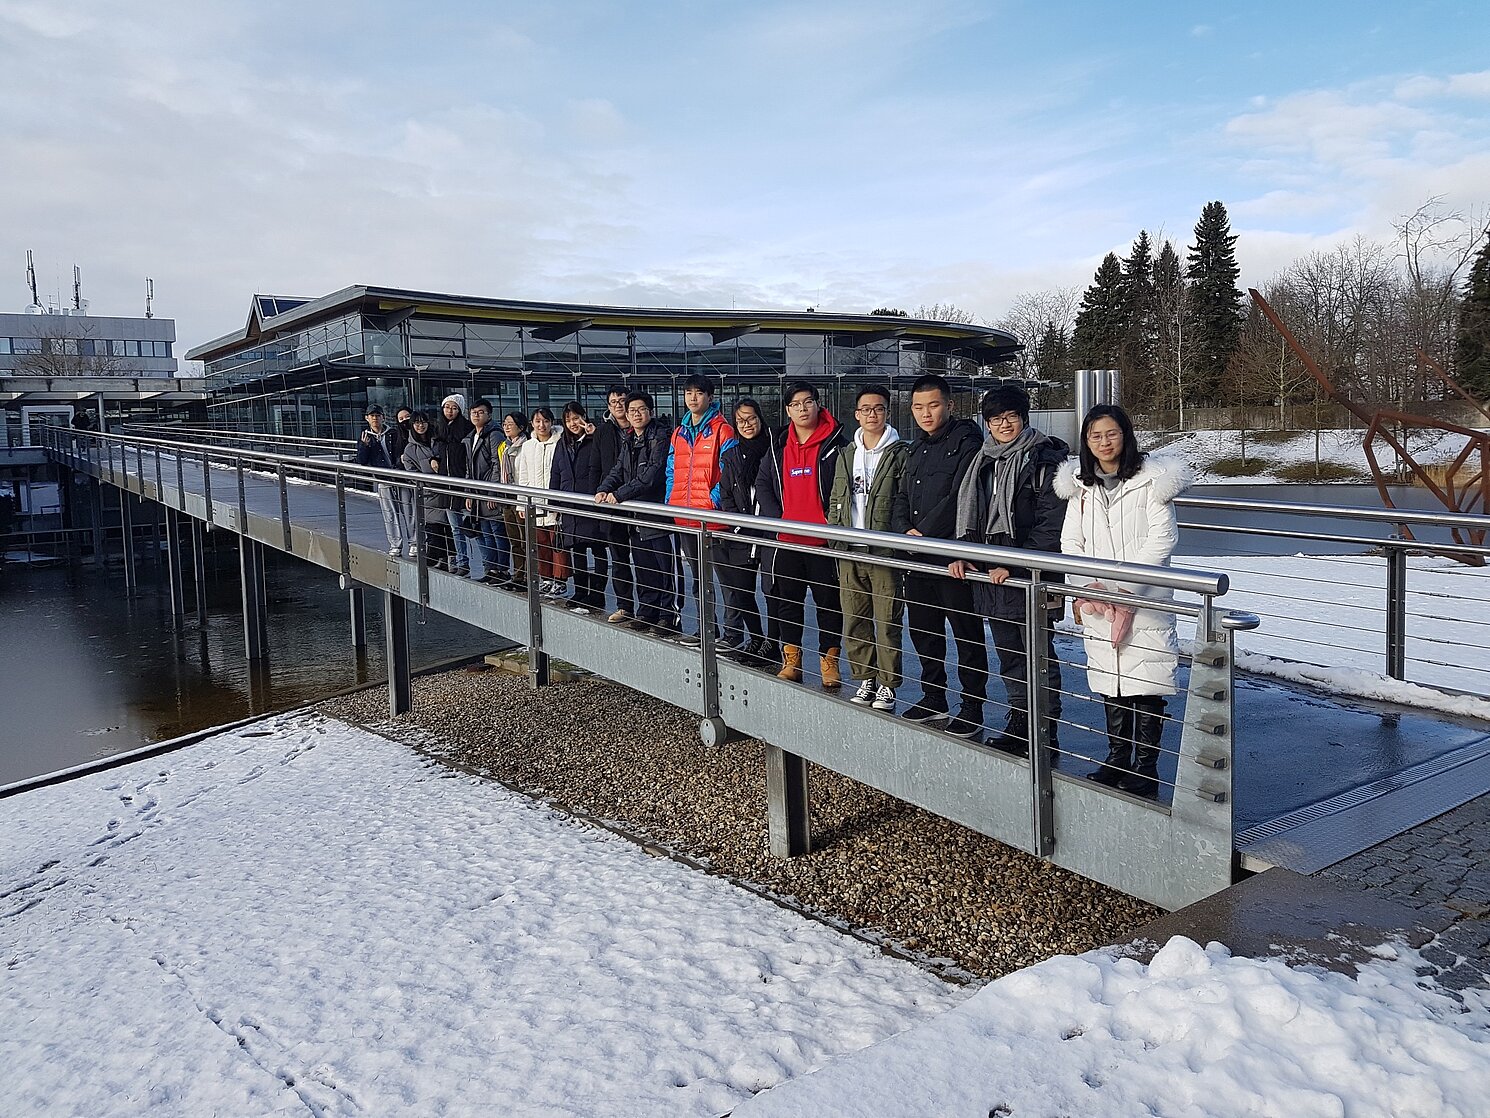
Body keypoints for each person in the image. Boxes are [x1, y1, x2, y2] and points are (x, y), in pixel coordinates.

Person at [1055, 404, 1192, 798]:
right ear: (1086, 441)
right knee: (1109, 678)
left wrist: (1126, 587)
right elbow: (1071, 542)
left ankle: (1146, 766)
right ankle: (1118, 755)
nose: (1103, 442)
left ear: (1125, 435)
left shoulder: (1151, 482)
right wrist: (1087, 586)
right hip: (1099, 602)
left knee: (1145, 680)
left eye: (1110, 434)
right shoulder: (1081, 487)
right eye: (1095, 436)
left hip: (1144, 597)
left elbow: (1162, 539)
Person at [950, 383, 1070, 752]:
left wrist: (1015, 565)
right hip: (993, 573)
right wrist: (965, 553)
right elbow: (977, 513)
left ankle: (1044, 729)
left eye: (1011, 417)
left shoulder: (1044, 461)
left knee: (1037, 653)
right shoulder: (983, 462)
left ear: (1024, 418)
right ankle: (1021, 721)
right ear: (986, 423)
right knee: (1009, 653)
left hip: (1029, 573)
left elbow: (1052, 525)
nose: (1004, 424)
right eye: (996, 418)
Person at [890, 374, 987, 734]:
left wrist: (926, 534)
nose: (925, 413)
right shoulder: (916, 447)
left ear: (949, 404)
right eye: (918, 407)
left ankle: (972, 706)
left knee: (966, 632)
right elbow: (902, 493)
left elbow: (961, 496)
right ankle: (934, 697)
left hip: (950, 555)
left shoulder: (967, 442)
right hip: (917, 555)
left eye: (933, 405)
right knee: (924, 629)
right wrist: (904, 530)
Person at [756, 381, 847, 687]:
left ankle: (829, 661)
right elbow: (763, 483)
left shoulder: (837, 443)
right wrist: (778, 520)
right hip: (788, 540)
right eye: (795, 404)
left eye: (808, 402)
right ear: (788, 410)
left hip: (824, 541)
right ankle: (791, 660)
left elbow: (844, 487)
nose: (803, 409)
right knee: (787, 602)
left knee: (829, 603)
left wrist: (831, 521)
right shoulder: (778, 445)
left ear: (818, 404)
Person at [827, 384, 908, 712]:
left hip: (884, 550)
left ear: (887, 412)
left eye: (878, 408)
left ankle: (888, 684)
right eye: (865, 409)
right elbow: (835, 497)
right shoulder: (847, 453)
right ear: (856, 414)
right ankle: (865, 676)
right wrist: (835, 535)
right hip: (851, 548)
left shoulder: (900, 452)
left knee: (887, 619)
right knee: (854, 617)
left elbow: (905, 499)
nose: (871, 414)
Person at [665, 374, 737, 645]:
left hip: (712, 518)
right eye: (688, 393)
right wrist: (672, 500)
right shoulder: (679, 432)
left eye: (699, 393)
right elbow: (671, 469)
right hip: (685, 517)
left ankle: (732, 633)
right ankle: (707, 629)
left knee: (725, 578)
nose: (693, 398)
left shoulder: (722, 430)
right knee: (699, 579)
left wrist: (712, 502)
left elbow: (728, 472)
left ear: (710, 397)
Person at [596, 391, 674, 633]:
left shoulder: (660, 437)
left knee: (664, 567)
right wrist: (603, 489)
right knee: (643, 565)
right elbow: (619, 469)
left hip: (654, 511)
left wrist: (620, 495)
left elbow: (651, 475)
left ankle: (668, 615)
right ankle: (647, 611)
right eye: (632, 411)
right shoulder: (630, 439)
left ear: (650, 411)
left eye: (641, 409)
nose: (636, 414)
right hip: (635, 514)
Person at [716, 398, 773, 665]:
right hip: (742, 532)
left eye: (750, 418)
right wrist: (737, 522)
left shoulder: (774, 450)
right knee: (742, 589)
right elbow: (726, 493)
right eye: (740, 421)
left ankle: (774, 644)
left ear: (760, 418)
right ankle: (758, 638)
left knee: (772, 591)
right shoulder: (732, 455)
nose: (746, 425)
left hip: (770, 531)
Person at [551, 401, 609, 614]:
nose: (573, 423)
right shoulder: (563, 443)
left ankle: (598, 593)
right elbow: (555, 473)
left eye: (576, 418)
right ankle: (581, 590)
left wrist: (594, 434)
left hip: (591, 501)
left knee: (598, 548)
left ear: (584, 417)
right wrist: (554, 501)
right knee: (576, 550)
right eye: (568, 420)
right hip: (569, 503)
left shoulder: (595, 439)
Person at [514, 407, 567, 598]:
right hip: (534, 503)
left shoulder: (560, 443)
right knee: (541, 542)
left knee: (557, 542)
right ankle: (546, 578)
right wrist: (521, 504)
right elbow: (523, 476)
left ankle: (560, 580)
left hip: (554, 502)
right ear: (532, 424)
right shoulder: (528, 446)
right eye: (537, 421)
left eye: (545, 421)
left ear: (552, 423)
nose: (541, 425)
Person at [595, 385, 635, 623]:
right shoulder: (603, 432)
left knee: (645, 560)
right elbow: (597, 467)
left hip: (639, 502)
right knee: (619, 558)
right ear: (608, 407)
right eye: (614, 402)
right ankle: (625, 605)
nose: (619, 405)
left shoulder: (645, 430)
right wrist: (598, 495)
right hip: (611, 502)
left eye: (623, 400)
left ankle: (655, 610)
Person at [355, 403, 410, 557]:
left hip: (401, 477)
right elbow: (361, 461)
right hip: (383, 479)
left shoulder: (393, 433)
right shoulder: (364, 436)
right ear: (367, 418)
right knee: (390, 513)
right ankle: (395, 544)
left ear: (383, 417)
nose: (375, 418)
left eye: (378, 415)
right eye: (372, 416)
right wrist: (364, 446)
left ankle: (414, 543)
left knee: (409, 510)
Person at [462, 400, 505, 583]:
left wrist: (493, 492)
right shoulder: (472, 436)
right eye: (473, 412)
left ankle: (501, 571)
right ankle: (491, 569)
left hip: (489, 491)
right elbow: (468, 467)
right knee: (486, 531)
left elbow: (498, 463)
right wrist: (469, 492)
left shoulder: (494, 435)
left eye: (481, 412)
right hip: (478, 493)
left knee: (497, 531)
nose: (476, 415)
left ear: (489, 415)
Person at [434, 394, 476, 576]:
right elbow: (437, 451)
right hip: (446, 484)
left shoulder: (467, 429)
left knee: (473, 525)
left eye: (454, 408)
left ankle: (489, 565)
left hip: (463, 482)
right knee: (455, 527)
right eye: (447, 407)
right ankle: (462, 561)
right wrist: (434, 458)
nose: (450, 411)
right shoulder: (440, 429)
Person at [399, 411, 449, 564]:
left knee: (448, 529)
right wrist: (430, 466)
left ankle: (448, 559)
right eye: (417, 423)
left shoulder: (438, 441)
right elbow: (412, 474)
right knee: (434, 529)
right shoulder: (410, 449)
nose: (421, 426)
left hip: (446, 490)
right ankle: (438, 558)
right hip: (428, 493)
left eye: (423, 422)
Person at [497, 412, 529, 587]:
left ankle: (527, 575)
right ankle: (518, 575)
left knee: (525, 539)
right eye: (505, 423)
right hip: (507, 497)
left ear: (521, 427)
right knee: (514, 539)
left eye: (510, 423)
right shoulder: (504, 446)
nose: (506, 426)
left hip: (520, 497)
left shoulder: (526, 446)